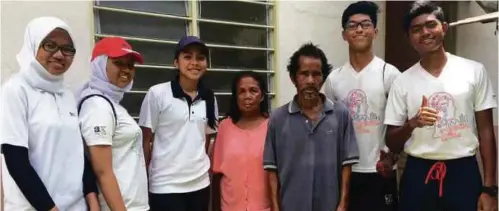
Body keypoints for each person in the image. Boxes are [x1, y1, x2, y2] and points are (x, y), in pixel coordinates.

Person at [384, 1, 498, 211]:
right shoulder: (402, 81)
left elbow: (486, 131)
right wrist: (412, 124)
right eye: (416, 30)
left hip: (463, 172)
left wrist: (490, 189)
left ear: (444, 28)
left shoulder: (474, 71)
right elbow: (390, 140)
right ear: (410, 39)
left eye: (430, 25)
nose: (425, 32)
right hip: (419, 174)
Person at [0, 17, 99, 211]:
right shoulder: (16, 90)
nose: (60, 55)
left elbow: (77, 153)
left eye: (67, 49)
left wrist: (93, 201)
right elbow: (15, 160)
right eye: (50, 45)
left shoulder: (67, 94)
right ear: (33, 45)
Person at [323, 2, 400, 210]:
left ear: (375, 32)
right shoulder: (333, 79)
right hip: (345, 172)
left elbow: (401, 125)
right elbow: (328, 124)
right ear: (344, 34)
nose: (359, 29)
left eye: (365, 24)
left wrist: (393, 156)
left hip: (379, 172)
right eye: (352, 25)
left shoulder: (390, 74)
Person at [263, 43, 359, 211]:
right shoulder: (278, 118)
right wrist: (275, 207)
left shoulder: (340, 114)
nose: (310, 81)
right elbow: (272, 169)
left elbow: (346, 165)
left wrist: (343, 204)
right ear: (293, 78)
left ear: (323, 77)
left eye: (316, 74)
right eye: (304, 74)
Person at [138, 36, 218, 211]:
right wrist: (143, 180)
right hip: (165, 186)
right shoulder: (157, 94)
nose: (195, 63)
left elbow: (205, 140)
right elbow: (145, 141)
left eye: (200, 58)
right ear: (176, 62)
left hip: (200, 184)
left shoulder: (209, 97)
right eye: (188, 57)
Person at [77, 37, 149, 211]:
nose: (126, 70)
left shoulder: (111, 103)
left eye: (130, 65)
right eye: (119, 63)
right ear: (100, 65)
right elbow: (103, 172)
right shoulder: (97, 106)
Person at [211, 71, 271, 211]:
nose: (247, 96)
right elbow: (217, 175)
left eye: (253, 91)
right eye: (241, 91)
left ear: (262, 96)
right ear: (236, 97)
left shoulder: (273, 126)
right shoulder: (225, 127)